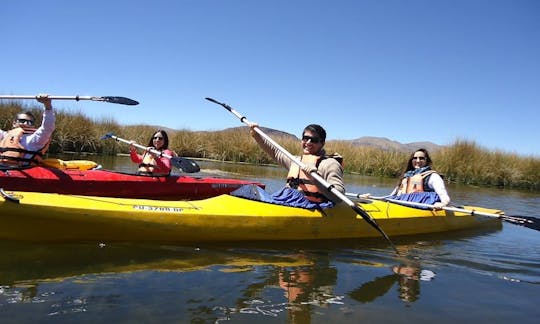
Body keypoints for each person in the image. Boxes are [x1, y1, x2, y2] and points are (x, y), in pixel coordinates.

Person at [249, 123, 345, 204]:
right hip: (288, 200)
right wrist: (256, 135)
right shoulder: (295, 160)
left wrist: (316, 178)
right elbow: (275, 152)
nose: (308, 142)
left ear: (322, 143)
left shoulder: (330, 164)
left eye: (314, 140)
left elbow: (339, 196)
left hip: (312, 206)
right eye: (305, 138)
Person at [0, 94, 55, 167]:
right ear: (14, 123)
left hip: (23, 170)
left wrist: (47, 106)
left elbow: (48, 127)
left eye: (29, 122)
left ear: (33, 125)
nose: (26, 123)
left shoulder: (36, 139)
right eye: (22, 121)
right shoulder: (4, 135)